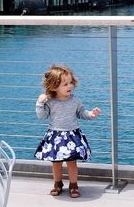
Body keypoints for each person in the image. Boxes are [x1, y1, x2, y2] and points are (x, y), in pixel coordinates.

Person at [35, 65, 101, 198]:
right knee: (56, 162)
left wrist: (91, 114)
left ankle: (73, 185)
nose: (69, 86)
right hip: (56, 135)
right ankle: (57, 183)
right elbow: (41, 116)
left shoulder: (75, 100)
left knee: (72, 162)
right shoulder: (50, 101)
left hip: (72, 135)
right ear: (54, 86)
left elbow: (81, 113)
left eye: (71, 82)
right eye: (65, 84)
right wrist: (39, 103)